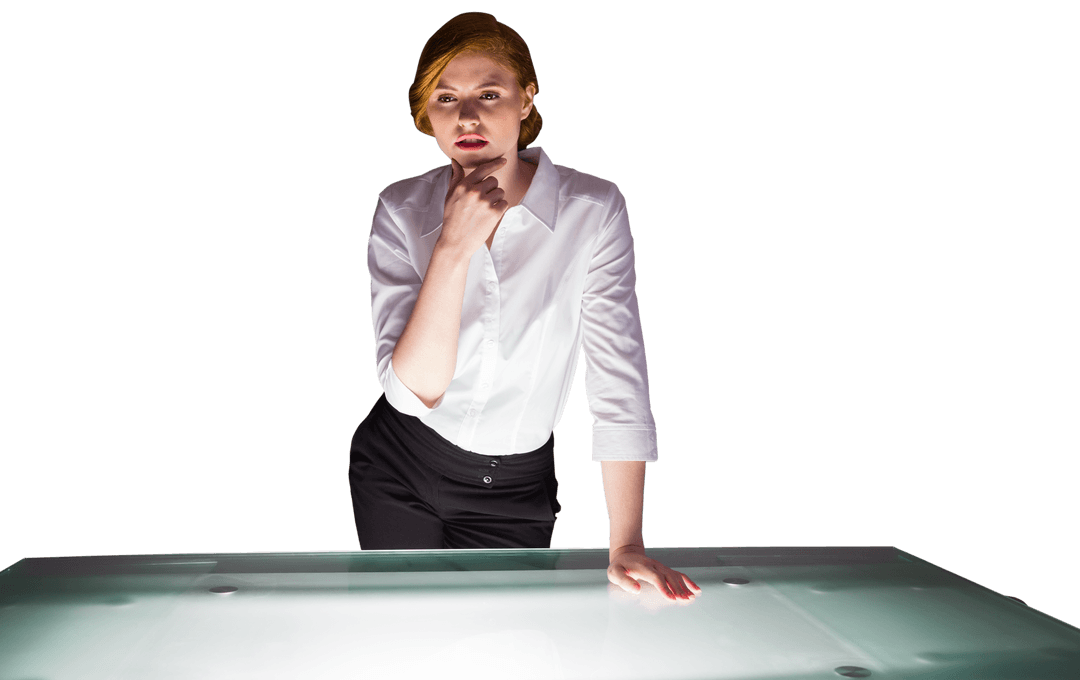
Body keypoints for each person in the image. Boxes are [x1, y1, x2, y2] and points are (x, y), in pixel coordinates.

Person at [348, 12, 701, 602]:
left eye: (489, 93)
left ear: (525, 99)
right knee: (400, 639)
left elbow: (618, 376)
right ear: (426, 113)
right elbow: (412, 394)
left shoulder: (595, 209)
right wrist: (453, 247)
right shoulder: (400, 210)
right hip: (400, 461)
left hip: (514, 488)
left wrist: (626, 544)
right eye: (446, 97)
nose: (466, 116)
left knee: (498, 647)